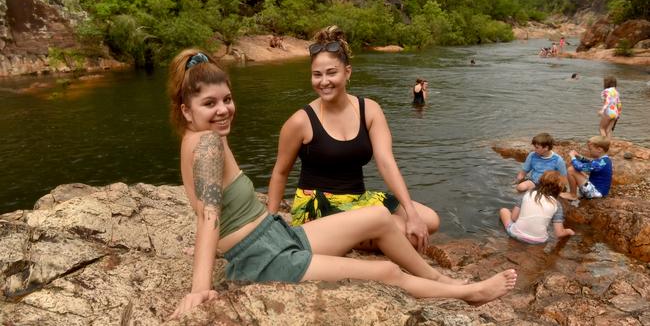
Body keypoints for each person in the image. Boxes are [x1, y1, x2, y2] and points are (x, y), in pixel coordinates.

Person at [167, 48, 518, 318]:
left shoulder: (197, 138)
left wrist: (211, 248)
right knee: (384, 271)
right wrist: (199, 288)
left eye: (227, 99)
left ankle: (443, 280)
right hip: (264, 258)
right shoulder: (210, 145)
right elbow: (210, 216)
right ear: (186, 109)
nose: (224, 109)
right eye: (209, 103)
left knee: (379, 217)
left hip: (275, 234)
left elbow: (205, 211)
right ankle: (466, 293)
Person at [267, 25, 439, 253]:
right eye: (317, 74)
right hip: (319, 207)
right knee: (405, 234)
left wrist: (411, 211)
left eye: (331, 72)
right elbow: (280, 172)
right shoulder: (300, 121)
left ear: (347, 72)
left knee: (430, 220)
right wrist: (270, 224)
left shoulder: (369, 109)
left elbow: (386, 163)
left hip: (358, 199)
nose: (324, 81)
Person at [500, 171, 575, 244]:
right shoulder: (557, 204)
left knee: (504, 211)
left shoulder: (527, 194)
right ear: (560, 189)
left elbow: (513, 218)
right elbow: (559, 233)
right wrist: (568, 231)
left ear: (540, 182)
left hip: (516, 234)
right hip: (539, 240)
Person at [560, 136, 613, 203]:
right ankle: (576, 193)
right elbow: (590, 163)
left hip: (596, 193)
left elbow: (580, 167)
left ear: (599, 149)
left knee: (571, 170)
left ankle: (572, 195)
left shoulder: (601, 163)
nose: (589, 151)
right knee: (577, 170)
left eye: (590, 149)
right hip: (598, 190)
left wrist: (573, 157)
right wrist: (579, 157)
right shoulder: (605, 160)